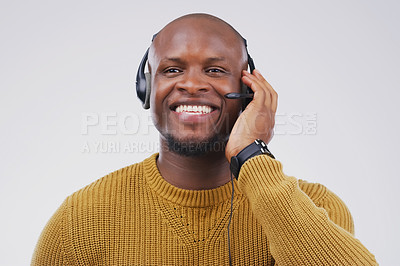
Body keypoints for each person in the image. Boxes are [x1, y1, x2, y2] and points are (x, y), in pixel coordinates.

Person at [32, 13, 377, 265]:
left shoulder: (315, 207)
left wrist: (251, 156)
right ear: (146, 89)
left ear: (247, 90)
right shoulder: (81, 219)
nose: (192, 84)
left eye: (214, 70)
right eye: (172, 70)